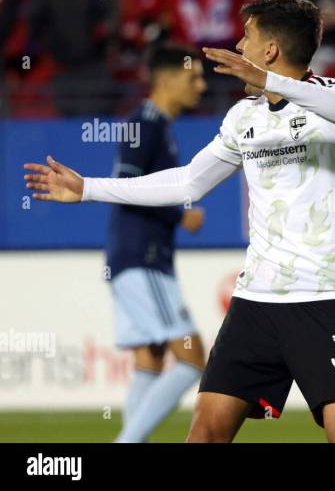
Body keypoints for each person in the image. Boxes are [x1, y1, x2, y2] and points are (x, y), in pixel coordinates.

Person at [24, 0, 335, 443]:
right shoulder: (243, 116)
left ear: (269, 51)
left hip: (326, 295)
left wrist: (270, 81)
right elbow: (189, 182)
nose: (238, 45)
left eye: (246, 37)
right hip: (256, 301)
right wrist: (89, 188)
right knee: (205, 433)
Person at [108, 43, 207, 442]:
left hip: (131, 257)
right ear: (166, 80)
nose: (201, 85)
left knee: (149, 361)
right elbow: (126, 185)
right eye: (193, 77)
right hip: (142, 259)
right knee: (192, 358)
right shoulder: (146, 124)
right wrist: (179, 213)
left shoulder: (156, 125)